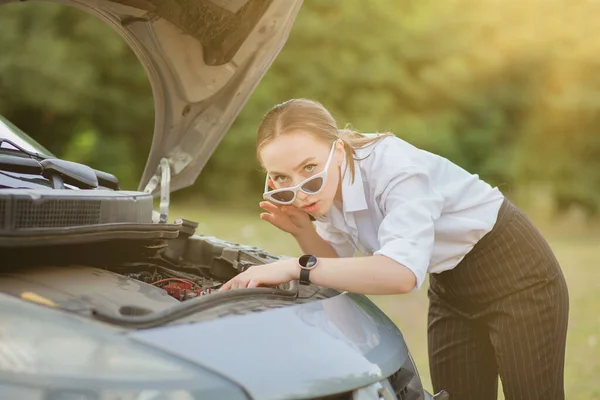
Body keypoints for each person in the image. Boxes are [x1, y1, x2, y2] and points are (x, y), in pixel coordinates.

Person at [219, 98, 569, 400]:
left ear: (337, 151)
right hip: (451, 284)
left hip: (514, 270)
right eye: (281, 178)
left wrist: (296, 266)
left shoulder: (396, 169)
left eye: (309, 168)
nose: (301, 190)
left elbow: (401, 274)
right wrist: (302, 232)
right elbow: (334, 269)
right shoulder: (327, 189)